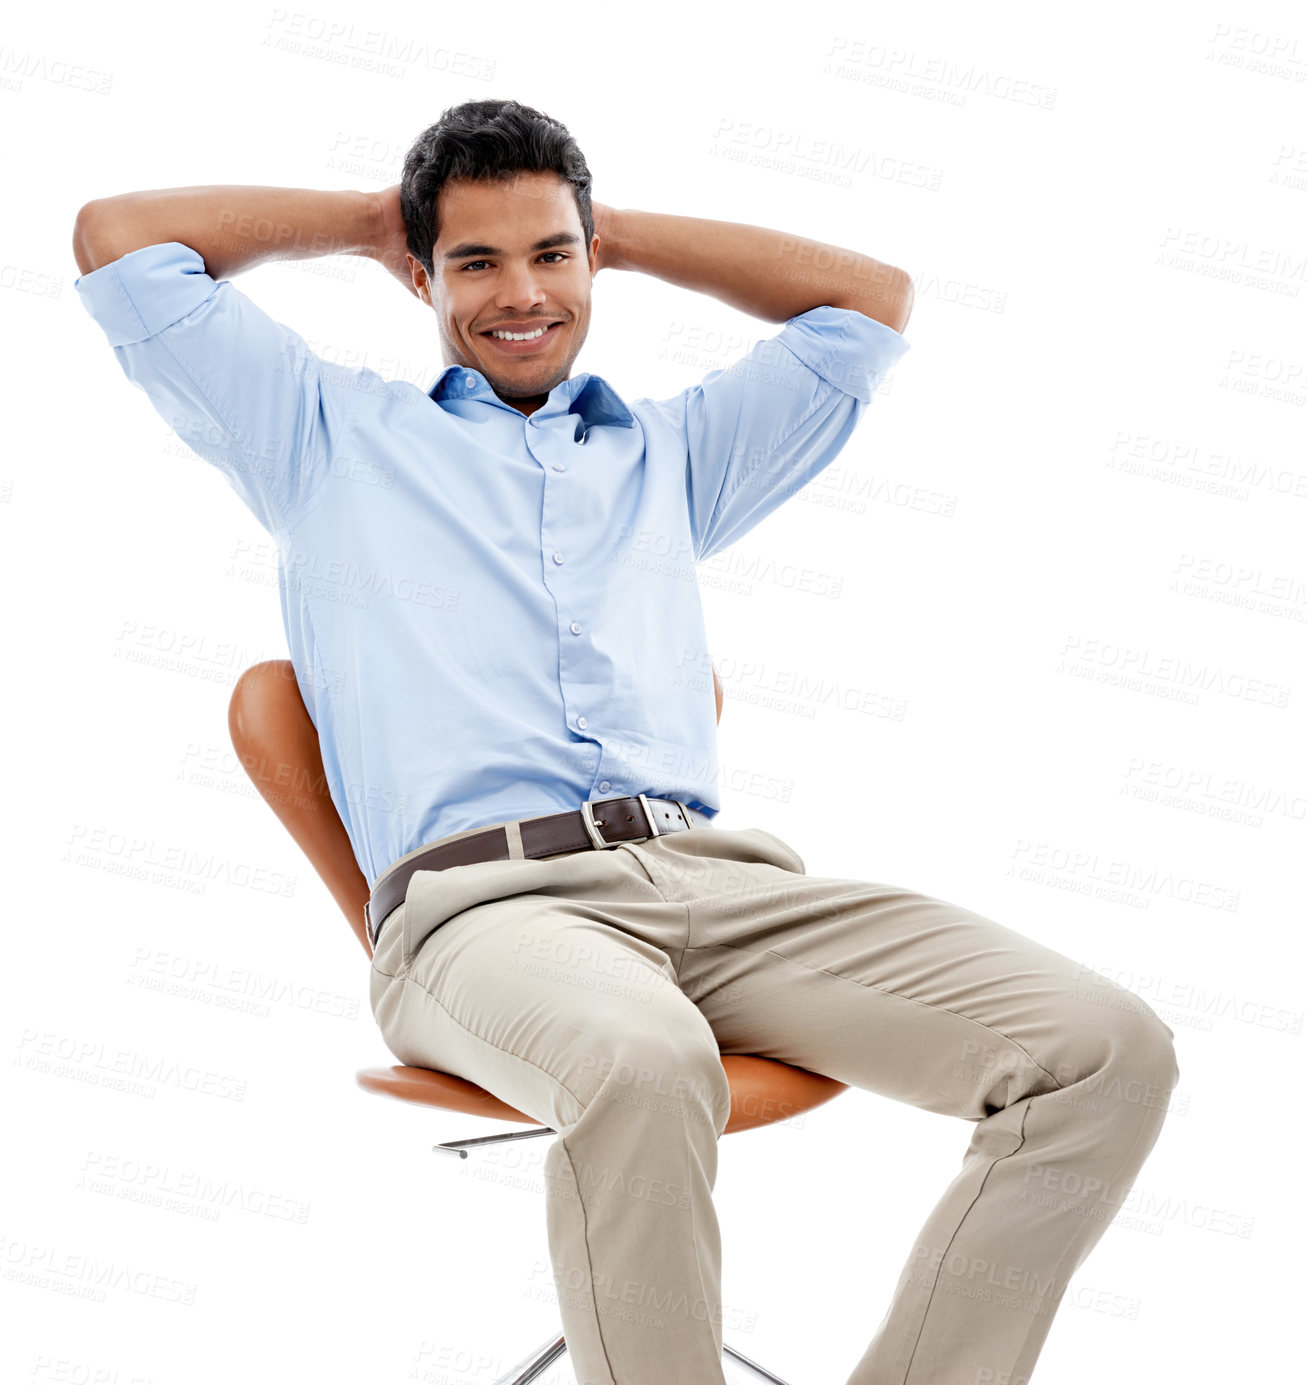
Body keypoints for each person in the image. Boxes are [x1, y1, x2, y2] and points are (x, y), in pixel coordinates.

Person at [73, 98, 1179, 1385]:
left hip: (723, 886)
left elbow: (867, 305)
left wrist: (609, 231)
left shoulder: (674, 455)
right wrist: (375, 221)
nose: (521, 292)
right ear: (421, 277)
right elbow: (122, 244)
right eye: (475, 261)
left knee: (1109, 1049)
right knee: (645, 1057)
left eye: (553, 255)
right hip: (484, 917)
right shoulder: (324, 437)